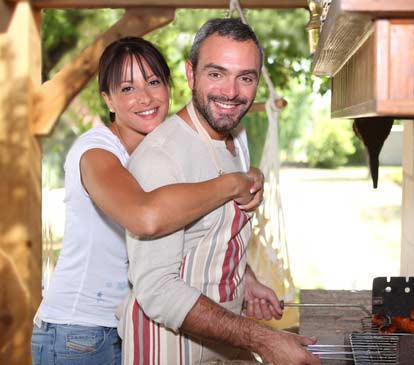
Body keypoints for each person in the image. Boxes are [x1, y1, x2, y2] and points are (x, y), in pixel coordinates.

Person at [31, 37, 264, 365]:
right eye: (127, 89)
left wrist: (248, 277)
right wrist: (233, 183)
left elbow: (194, 225)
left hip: (128, 325)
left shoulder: (165, 150)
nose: (144, 97)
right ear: (108, 100)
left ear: (170, 86)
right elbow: (146, 218)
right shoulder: (97, 152)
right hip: (79, 332)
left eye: (154, 82)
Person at [120, 19, 321, 365]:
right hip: (170, 350)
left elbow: (205, 238)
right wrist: (264, 340)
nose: (231, 92)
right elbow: (157, 290)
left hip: (222, 343)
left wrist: (246, 280)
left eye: (245, 77)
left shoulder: (233, 138)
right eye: (216, 74)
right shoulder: (162, 158)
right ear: (191, 73)